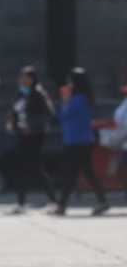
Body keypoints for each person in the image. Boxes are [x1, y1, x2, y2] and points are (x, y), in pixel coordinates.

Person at [53, 67, 110, 216]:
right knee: (86, 172)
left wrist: (64, 100)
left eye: (70, 81)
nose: (68, 84)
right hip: (79, 140)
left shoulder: (78, 100)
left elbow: (63, 115)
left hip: (76, 141)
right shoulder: (84, 98)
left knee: (71, 173)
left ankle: (61, 205)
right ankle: (102, 200)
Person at [7, 66, 56, 214]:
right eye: (21, 77)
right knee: (22, 167)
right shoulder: (20, 94)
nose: (22, 80)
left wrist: (32, 126)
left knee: (36, 167)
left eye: (25, 77)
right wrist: (13, 123)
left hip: (35, 135)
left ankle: (53, 200)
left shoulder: (38, 93)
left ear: (32, 79)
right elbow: (15, 112)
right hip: (22, 135)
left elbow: (48, 114)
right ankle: (21, 202)